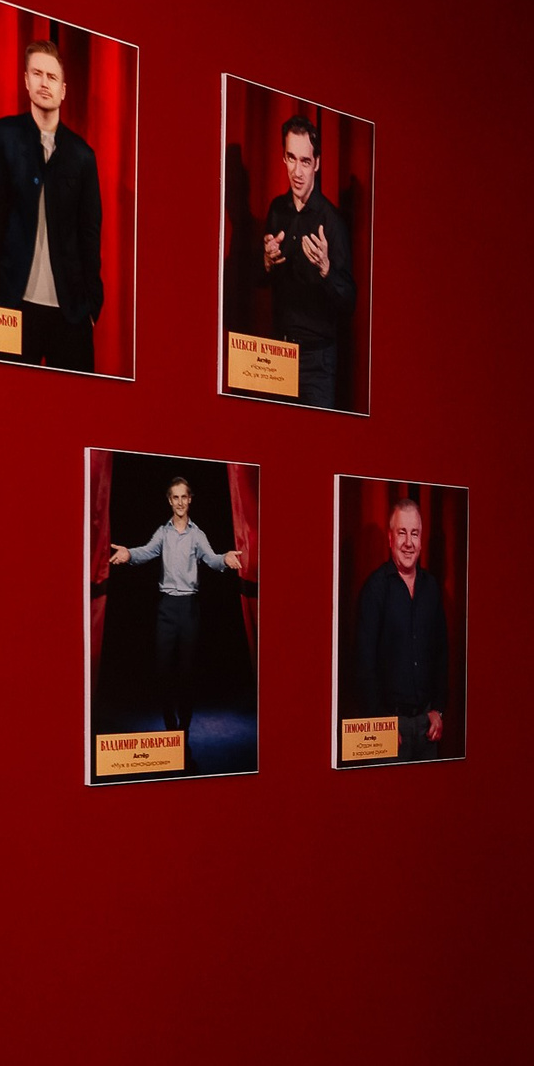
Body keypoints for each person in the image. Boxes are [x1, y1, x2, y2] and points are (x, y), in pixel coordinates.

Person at [0, 39, 105, 373]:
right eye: (37, 74)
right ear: (26, 80)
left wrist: (92, 305)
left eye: (52, 76)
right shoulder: (5, 135)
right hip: (12, 302)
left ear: (64, 90)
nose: (44, 83)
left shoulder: (83, 156)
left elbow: (90, 234)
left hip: (70, 309)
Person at [107, 472, 241, 766]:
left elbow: (211, 558)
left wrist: (225, 559)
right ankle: (171, 730)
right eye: (175, 498)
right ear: (170, 501)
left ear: (190, 500)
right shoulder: (163, 533)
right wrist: (129, 554)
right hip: (167, 608)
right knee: (164, 671)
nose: (180, 502)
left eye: (184, 497)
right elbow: (146, 551)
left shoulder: (197, 534)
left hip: (189, 608)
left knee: (187, 673)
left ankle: (184, 730)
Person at [261, 115, 354, 408]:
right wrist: (266, 262)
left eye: (305, 161)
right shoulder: (277, 210)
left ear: (317, 164)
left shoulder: (332, 222)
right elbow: (259, 282)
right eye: (291, 158)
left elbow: (349, 300)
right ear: (283, 158)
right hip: (278, 353)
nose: (297, 171)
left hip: (317, 361)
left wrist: (326, 270)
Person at [352, 496, 448, 761]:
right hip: (389, 726)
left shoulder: (431, 588)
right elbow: (363, 663)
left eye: (414, 534)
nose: (408, 542)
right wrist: (380, 722)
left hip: (427, 727)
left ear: (421, 540)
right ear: (390, 538)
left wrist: (439, 709)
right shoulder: (375, 589)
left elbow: (441, 653)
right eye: (402, 532)